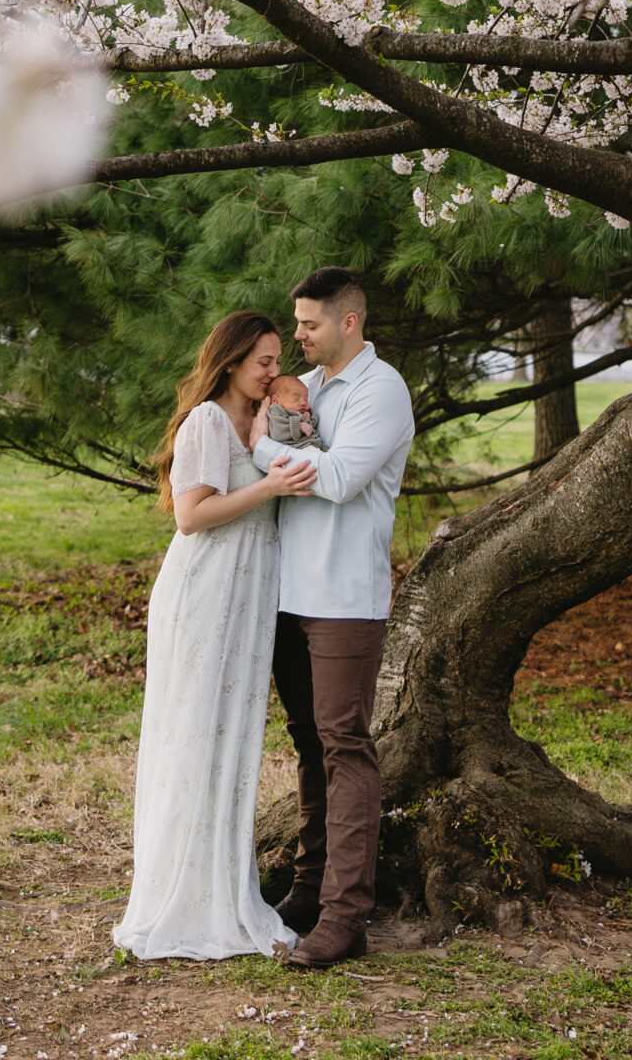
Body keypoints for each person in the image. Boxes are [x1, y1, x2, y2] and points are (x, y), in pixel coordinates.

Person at [113, 309, 318, 962]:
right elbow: (191, 516)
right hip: (205, 588)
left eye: (276, 359)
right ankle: (180, 898)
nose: (272, 371)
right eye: (261, 360)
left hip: (251, 591)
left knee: (231, 741)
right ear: (229, 362)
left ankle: (223, 886)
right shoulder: (205, 421)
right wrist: (269, 487)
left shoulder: (260, 421)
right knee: (195, 735)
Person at [252, 266, 416, 971]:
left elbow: (343, 479)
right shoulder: (308, 390)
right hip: (288, 592)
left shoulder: (382, 390)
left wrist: (262, 450)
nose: (297, 336)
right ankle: (309, 887)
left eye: (309, 324)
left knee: (344, 747)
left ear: (348, 322)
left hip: (343, 598)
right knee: (307, 744)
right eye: (296, 323)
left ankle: (347, 917)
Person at [263, 371, 317, 447]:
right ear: (275, 401)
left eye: (306, 399)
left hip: (312, 445)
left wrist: (309, 417)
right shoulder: (275, 411)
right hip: (294, 449)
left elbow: (312, 428)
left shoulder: (303, 411)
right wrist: (299, 426)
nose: (303, 403)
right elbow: (277, 433)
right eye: (295, 398)